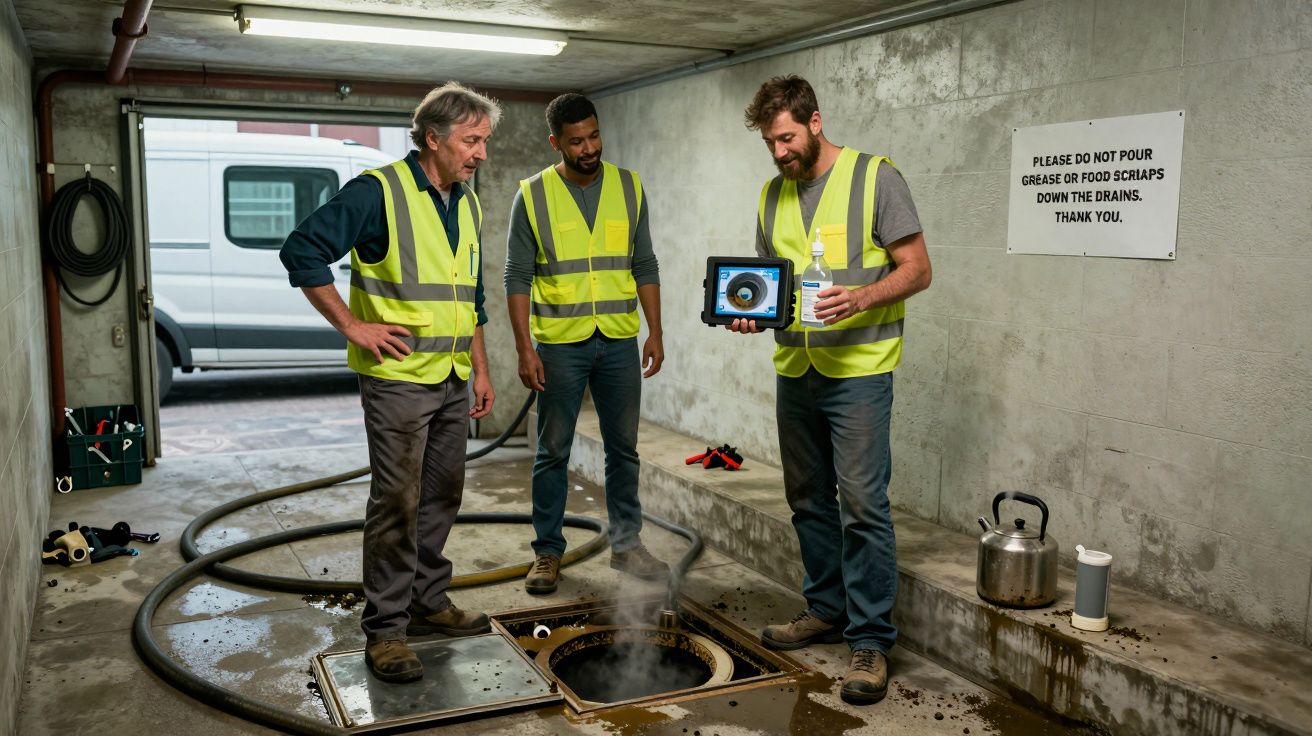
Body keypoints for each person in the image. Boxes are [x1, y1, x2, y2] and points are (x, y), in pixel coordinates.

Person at [279, 82, 500, 684]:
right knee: (397, 502)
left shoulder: (468, 203)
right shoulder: (378, 193)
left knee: (442, 495)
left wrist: (480, 369)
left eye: (484, 141)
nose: (481, 153)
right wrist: (353, 326)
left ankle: (428, 602)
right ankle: (387, 631)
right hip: (399, 379)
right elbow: (302, 250)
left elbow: (470, 295)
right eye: (472, 141)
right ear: (434, 138)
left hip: (453, 376)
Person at [730, 75, 932, 705]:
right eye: (770, 143)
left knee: (864, 506)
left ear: (815, 122)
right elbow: (771, 283)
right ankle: (825, 608)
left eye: (787, 138)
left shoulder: (877, 179)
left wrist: (864, 296)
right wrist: (749, 313)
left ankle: (869, 639)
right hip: (796, 370)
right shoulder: (771, 194)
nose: (779, 152)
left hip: (860, 373)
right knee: (808, 498)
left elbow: (918, 270)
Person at [504, 93, 668, 595]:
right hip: (559, 344)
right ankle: (548, 552)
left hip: (619, 338)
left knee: (625, 450)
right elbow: (517, 277)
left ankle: (626, 544)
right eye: (577, 141)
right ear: (556, 143)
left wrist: (655, 329)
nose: (589, 147)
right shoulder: (531, 195)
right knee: (553, 450)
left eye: (594, 135)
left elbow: (644, 264)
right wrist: (524, 348)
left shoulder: (629, 186)